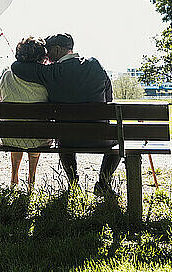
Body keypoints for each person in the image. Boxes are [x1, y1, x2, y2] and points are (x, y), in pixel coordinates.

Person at [11, 33, 120, 196]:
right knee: (118, 138)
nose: (46, 55)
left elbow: (16, 66)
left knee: (64, 135)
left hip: (68, 140)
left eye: (48, 50)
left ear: (56, 49)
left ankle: (73, 183)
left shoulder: (51, 72)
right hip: (101, 137)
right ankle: (103, 183)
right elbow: (108, 98)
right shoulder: (95, 64)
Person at [0, 37, 52, 191]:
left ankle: (14, 178)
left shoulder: (7, 75)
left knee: (16, 134)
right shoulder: (46, 78)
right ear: (41, 57)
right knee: (35, 135)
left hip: (11, 136)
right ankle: (31, 181)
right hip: (39, 138)